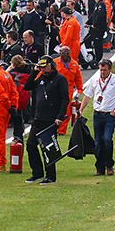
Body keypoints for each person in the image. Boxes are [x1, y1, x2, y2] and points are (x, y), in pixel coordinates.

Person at [23, 55, 69, 185]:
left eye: (45, 66)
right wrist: (35, 71)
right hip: (38, 118)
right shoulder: (41, 78)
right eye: (41, 67)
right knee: (31, 145)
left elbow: (65, 98)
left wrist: (60, 117)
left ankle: (51, 176)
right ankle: (37, 173)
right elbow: (28, 86)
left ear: (52, 66)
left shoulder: (60, 79)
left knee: (48, 148)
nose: (43, 69)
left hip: (51, 120)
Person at [78, 58, 115, 176]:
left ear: (110, 69)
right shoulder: (95, 79)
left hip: (110, 115)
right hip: (97, 115)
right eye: (101, 70)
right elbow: (88, 96)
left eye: (105, 70)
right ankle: (100, 167)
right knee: (98, 142)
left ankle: (109, 165)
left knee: (107, 139)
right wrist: (81, 110)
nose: (102, 72)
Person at [53, 46, 83, 135]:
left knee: (66, 110)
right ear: (60, 53)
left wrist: (79, 92)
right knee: (53, 109)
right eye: (63, 53)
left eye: (67, 53)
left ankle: (62, 130)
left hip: (68, 90)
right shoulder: (55, 63)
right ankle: (53, 128)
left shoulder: (75, 64)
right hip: (55, 89)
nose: (65, 55)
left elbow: (79, 81)